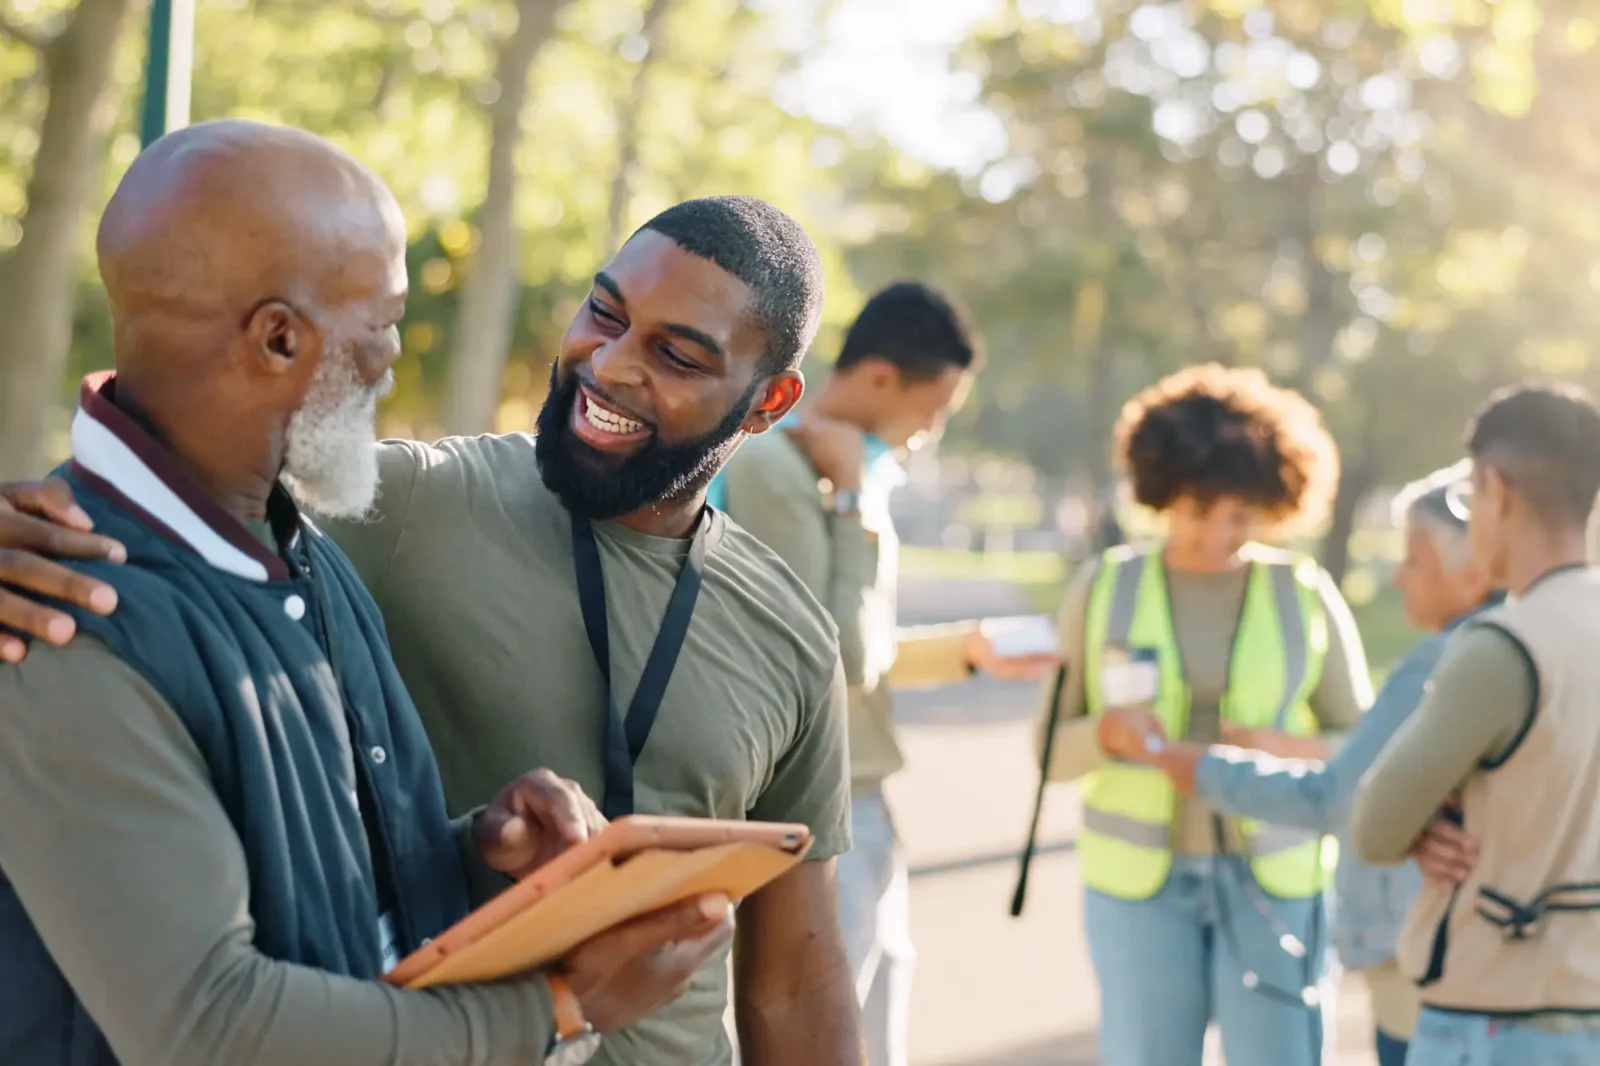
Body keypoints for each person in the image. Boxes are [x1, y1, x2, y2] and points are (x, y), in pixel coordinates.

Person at [0, 149, 861, 1063]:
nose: (609, 364)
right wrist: (563, 1009)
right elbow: (207, 1023)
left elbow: (797, 982)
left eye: (679, 354)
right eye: (603, 313)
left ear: (769, 402)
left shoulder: (309, 560)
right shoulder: (382, 511)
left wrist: (482, 854)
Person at [714, 281, 1057, 1066]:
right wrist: (856, 508)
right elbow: (841, 656)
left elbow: (849, 649)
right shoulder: (782, 465)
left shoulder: (834, 466)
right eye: (933, 407)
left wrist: (967, 652)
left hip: (859, 794)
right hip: (816, 802)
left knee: (875, 1019)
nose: (932, 431)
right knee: (831, 1033)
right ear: (879, 380)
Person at [1032, 363, 1371, 1066]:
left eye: (1240, 515)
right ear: (1163, 495)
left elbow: (1365, 749)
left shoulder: (1304, 594)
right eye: (1198, 509)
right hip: (1139, 894)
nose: (1219, 533)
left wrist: (1279, 745)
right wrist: (1105, 734)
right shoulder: (1104, 588)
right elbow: (1048, 755)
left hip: (1276, 884)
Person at [1122, 462, 1497, 1066]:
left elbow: (1340, 795)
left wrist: (1204, 769)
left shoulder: (1440, 664)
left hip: (1424, 968)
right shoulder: (1534, 642)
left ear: (1475, 568)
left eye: (1414, 560)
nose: (1398, 576)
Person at [1351, 383, 1600, 1066]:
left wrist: (1422, 829)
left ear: (1498, 489)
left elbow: (1375, 826)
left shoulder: (1502, 649)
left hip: (1494, 1019)